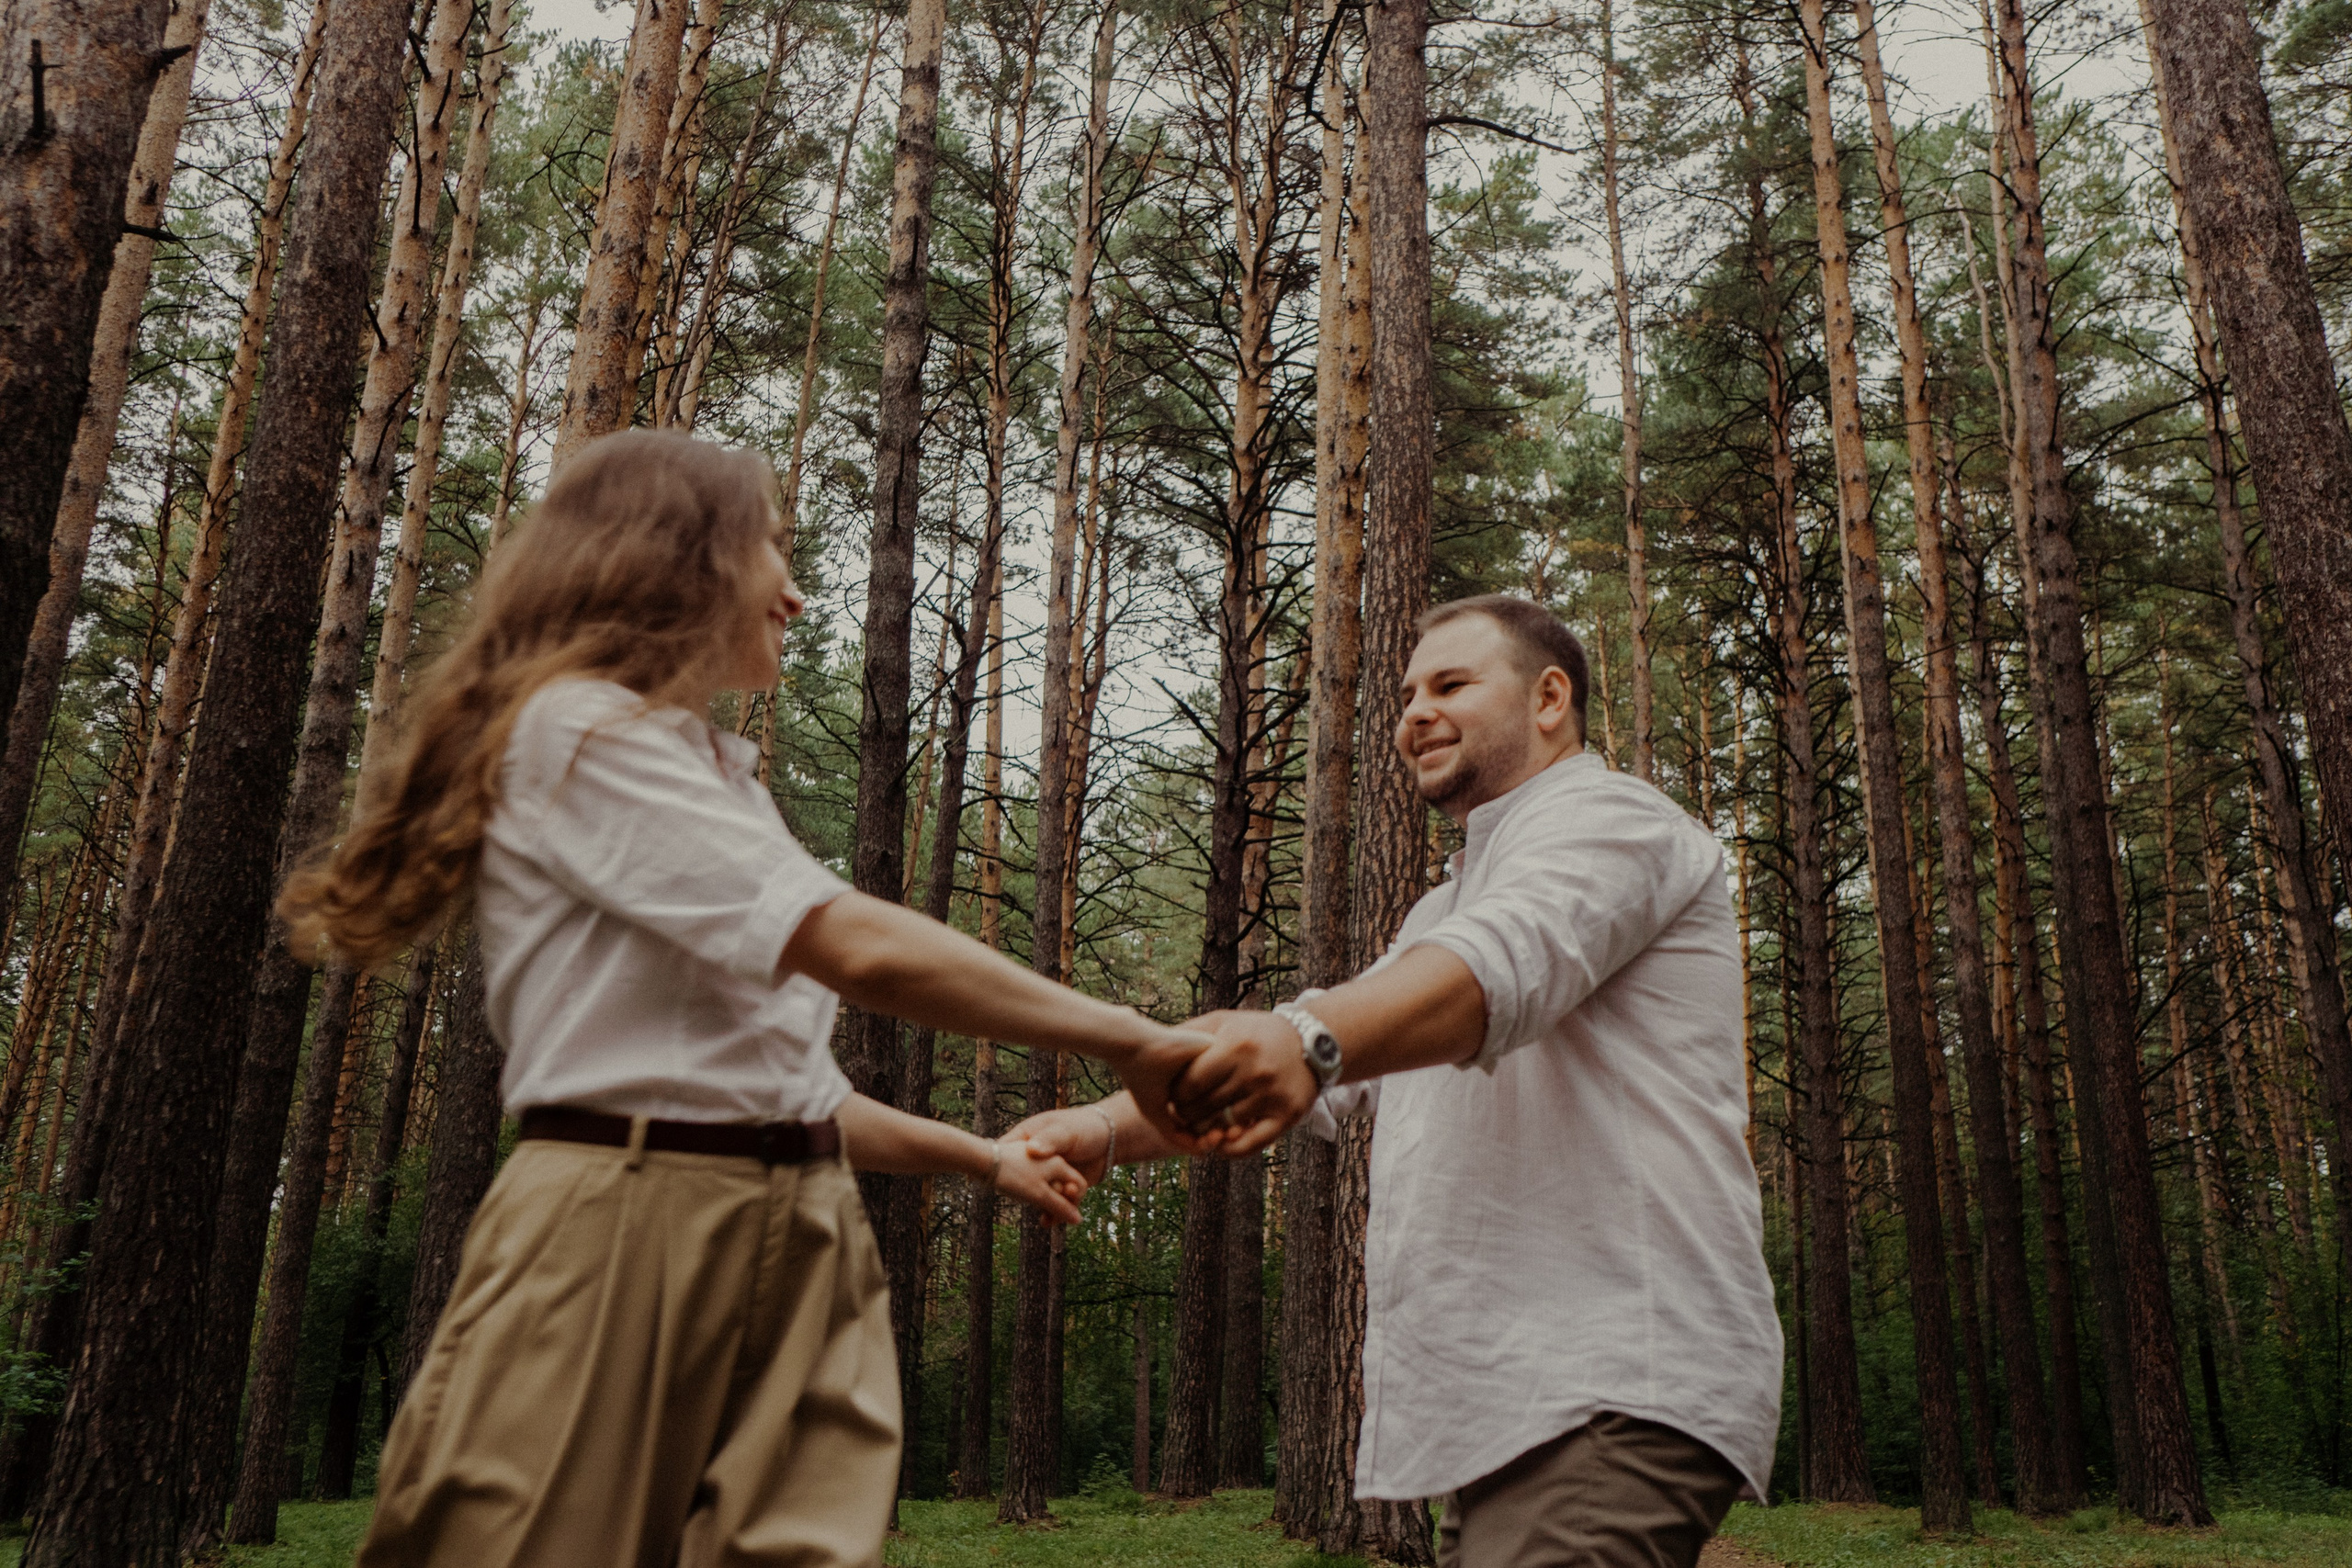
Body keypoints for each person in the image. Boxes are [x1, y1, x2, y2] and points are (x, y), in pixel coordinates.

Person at [278, 429, 1206, 1568]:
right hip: (626, 1217)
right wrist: (1132, 1038)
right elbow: (847, 941)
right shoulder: (573, 733)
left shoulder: (698, 774)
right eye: (775, 550)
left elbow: (782, 1093)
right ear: (685, 561)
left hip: (806, 1227)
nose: (798, 596)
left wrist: (985, 1159)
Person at [1014, 594, 1782, 1568]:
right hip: (1507, 1412)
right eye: (1405, 693)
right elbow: (1315, 1079)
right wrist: (1100, 1129)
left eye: (1451, 684)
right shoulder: (1437, 917)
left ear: (1551, 699)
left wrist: (1303, 1037)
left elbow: (1490, 968)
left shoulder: (1613, 821)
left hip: (1612, 1378)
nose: (1412, 712)